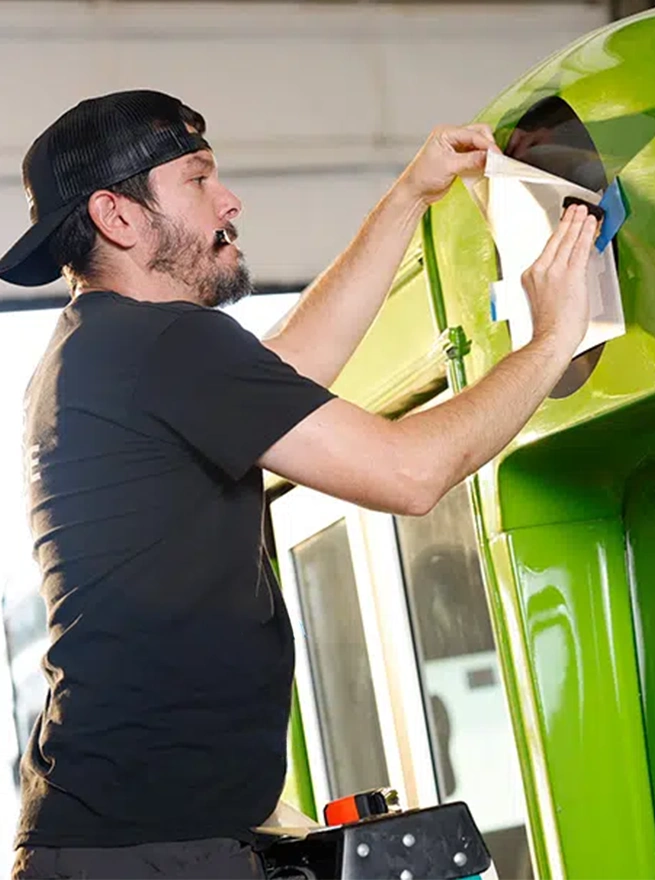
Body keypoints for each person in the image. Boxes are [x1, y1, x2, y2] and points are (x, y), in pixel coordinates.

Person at [1, 90, 597, 880]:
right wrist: (555, 335)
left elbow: (289, 370)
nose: (229, 199)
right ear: (119, 216)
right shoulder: (162, 343)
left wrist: (407, 197)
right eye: (198, 178)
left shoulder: (105, 346)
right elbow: (410, 474)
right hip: (149, 850)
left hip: (124, 838)